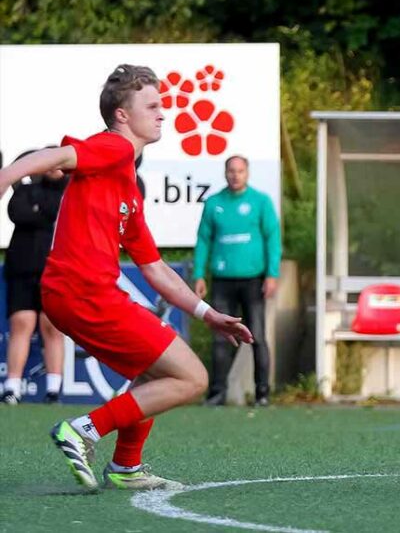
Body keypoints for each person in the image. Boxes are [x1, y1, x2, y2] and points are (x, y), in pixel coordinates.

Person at [0, 64, 252, 491]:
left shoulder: (128, 187)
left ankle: (126, 466)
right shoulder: (114, 147)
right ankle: (83, 429)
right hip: (82, 291)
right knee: (193, 378)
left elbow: (153, 267)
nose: (162, 114)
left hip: (79, 294)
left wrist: (206, 312)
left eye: (163, 106)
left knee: (159, 373)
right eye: (152, 106)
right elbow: (59, 157)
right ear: (121, 113)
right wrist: (5, 177)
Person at [194, 155, 281, 407]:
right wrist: (200, 273)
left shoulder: (261, 202)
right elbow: (203, 240)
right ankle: (217, 393)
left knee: (257, 336)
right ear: (225, 173)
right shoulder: (214, 203)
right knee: (220, 337)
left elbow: (272, 239)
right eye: (231, 171)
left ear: (247, 173)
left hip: (253, 280)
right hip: (222, 279)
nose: (235, 175)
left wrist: (272, 274)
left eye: (240, 171)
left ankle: (262, 392)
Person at [2, 155, 68, 404]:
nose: (54, 168)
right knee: (22, 322)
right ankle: (12, 388)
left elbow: (55, 214)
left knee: (52, 327)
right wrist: (40, 212)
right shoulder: (26, 189)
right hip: (23, 266)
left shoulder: (71, 192)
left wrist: (39, 210)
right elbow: (17, 213)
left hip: (56, 270)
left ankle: (53, 390)